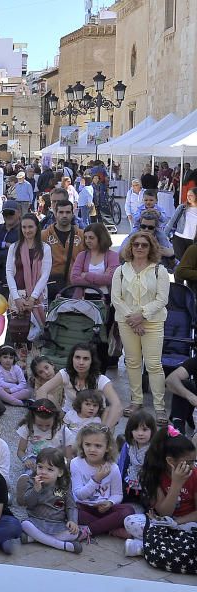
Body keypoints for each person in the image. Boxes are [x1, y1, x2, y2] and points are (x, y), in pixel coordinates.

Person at [112, 231, 170, 423]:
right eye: (136, 244)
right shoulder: (120, 271)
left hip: (152, 323)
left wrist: (141, 315)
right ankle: (136, 401)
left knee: (154, 365)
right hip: (127, 323)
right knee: (133, 362)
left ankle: (159, 407)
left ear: (150, 248)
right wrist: (133, 319)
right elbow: (116, 299)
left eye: (144, 245)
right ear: (130, 246)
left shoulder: (159, 271)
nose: (139, 248)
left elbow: (162, 300)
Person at [123, 426, 197, 556]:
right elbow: (165, 512)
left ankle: (147, 546)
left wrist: (176, 523)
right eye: (189, 462)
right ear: (169, 461)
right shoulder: (153, 474)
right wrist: (176, 484)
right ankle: (171, 545)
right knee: (131, 521)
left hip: (187, 522)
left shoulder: (195, 474)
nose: (192, 466)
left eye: (194, 461)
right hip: (163, 522)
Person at [69, 425, 134, 540]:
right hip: (83, 506)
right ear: (81, 445)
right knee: (71, 512)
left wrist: (110, 502)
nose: (92, 449)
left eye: (98, 446)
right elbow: (79, 494)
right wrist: (96, 479)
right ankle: (111, 529)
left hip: (104, 509)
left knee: (128, 510)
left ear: (107, 447)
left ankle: (88, 530)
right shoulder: (76, 463)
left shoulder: (113, 467)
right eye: (87, 444)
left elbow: (117, 494)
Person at [17, 447, 82, 554]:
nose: (43, 472)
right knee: (24, 524)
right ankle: (63, 546)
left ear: (60, 472)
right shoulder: (32, 481)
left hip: (57, 523)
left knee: (74, 533)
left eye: (50, 469)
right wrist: (36, 490)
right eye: (40, 467)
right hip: (36, 520)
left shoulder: (64, 485)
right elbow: (29, 504)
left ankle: (34, 538)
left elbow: (71, 505)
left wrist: (73, 521)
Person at [5, 214, 52, 340]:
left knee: (36, 336)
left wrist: (32, 298)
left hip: (37, 298)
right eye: (24, 227)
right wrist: (16, 297)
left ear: (37, 228)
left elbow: (45, 275)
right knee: (17, 332)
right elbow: (9, 272)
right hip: (17, 296)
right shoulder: (14, 247)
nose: (27, 230)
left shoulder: (45, 248)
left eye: (30, 227)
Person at [41, 200, 85, 301]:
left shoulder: (82, 235)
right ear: (55, 214)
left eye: (68, 212)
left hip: (75, 288)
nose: (64, 215)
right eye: (61, 212)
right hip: (51, 287)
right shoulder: (43, 236)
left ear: (72, 214)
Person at [168, 187, 197, 261]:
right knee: (179, 262)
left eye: (191, 195)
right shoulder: (182, 207)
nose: (188, 197)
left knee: (190, 263)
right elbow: (171, 222)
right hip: (179, 238)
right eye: (187, 195)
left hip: (192, 240)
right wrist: (164, 236)